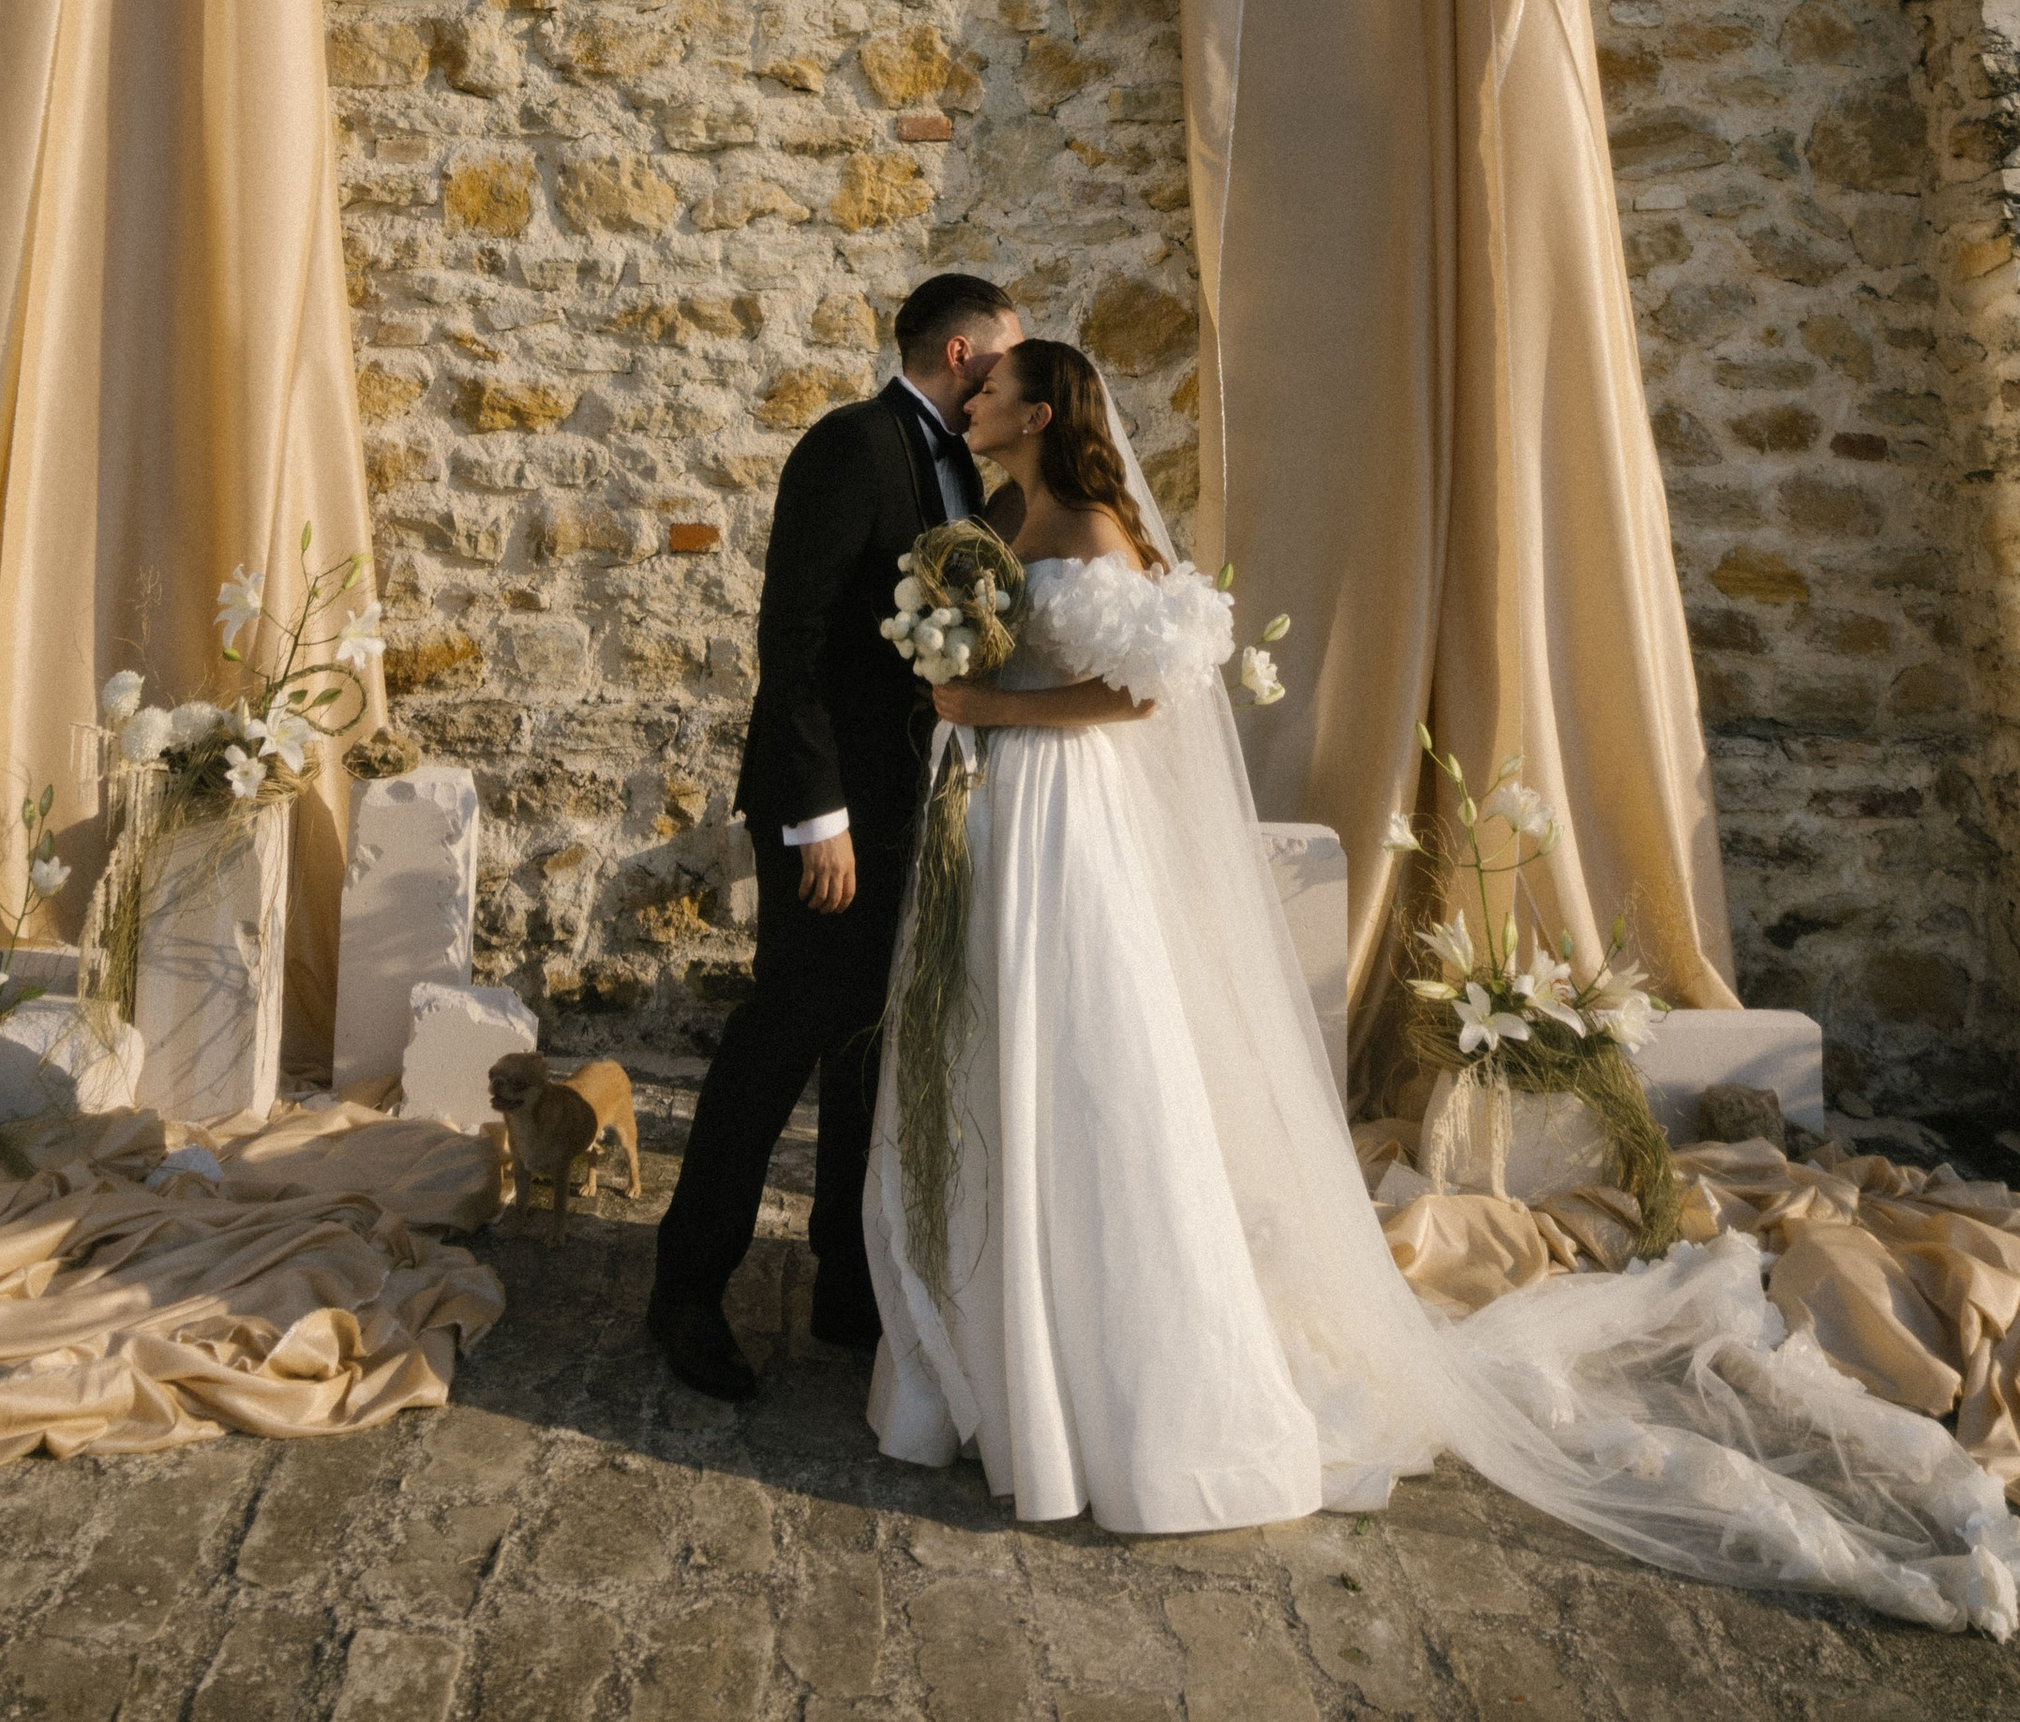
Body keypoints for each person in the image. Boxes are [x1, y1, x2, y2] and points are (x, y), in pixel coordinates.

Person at [861, 337, 2020, 1637]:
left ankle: (1120, 1388)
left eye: (996, 387)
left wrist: (989, 705)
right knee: (1000, 1058)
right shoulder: (1004, 515)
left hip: (1073, 823)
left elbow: (1135, 703)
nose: (976, 398)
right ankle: (1006, 1351)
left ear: (1046, 408)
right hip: (1011, 821)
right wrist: (960, 679)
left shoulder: (1095, 527)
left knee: (1085, 1065)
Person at [646, 270, 1022, 1403]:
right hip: (835, 816)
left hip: (914, 809)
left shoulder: (965, 468)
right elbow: (794, 641)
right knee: (782, 1039)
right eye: (1005, 356)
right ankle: (685, 1291)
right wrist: (820, 822)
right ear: (961, 355)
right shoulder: (851, 446)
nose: (1013, 373)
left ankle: (845, 1284)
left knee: (872, 1044)